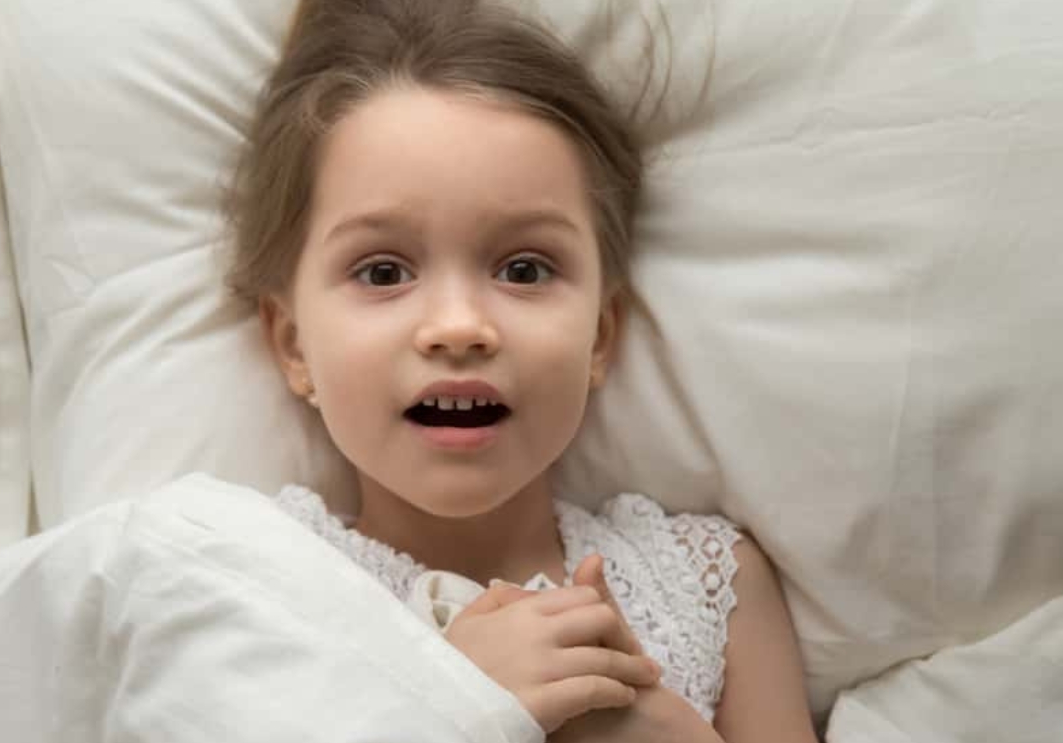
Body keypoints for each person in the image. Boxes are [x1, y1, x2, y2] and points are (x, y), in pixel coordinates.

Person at [224, 1, 819, 741]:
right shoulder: (259, 583)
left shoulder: (708, 585)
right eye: (382, 271)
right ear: (292, 345)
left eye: (523, 268)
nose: (459, 327)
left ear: (600, 335)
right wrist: (446, 708)